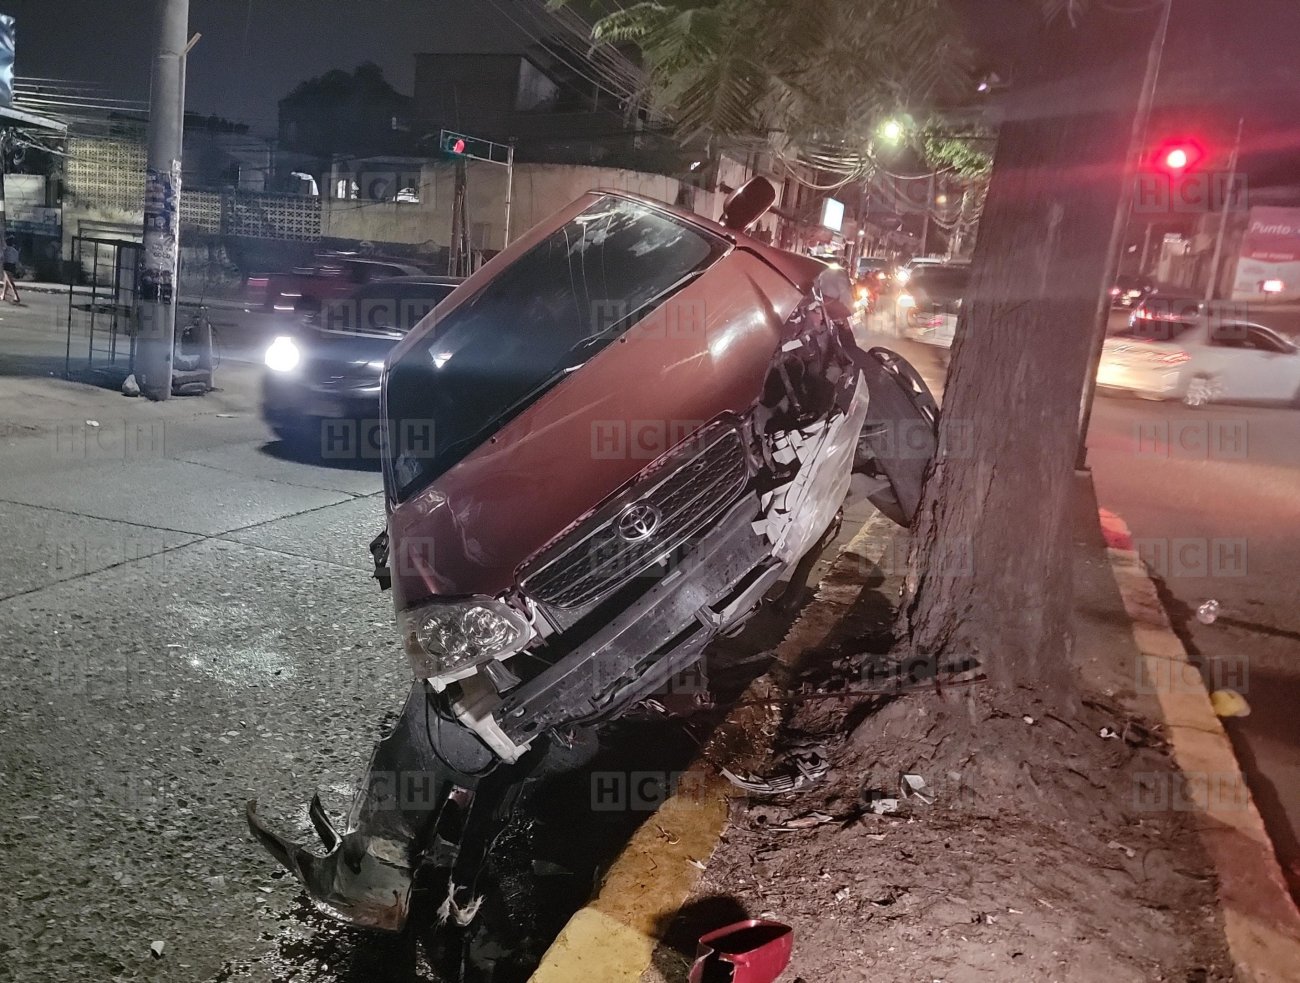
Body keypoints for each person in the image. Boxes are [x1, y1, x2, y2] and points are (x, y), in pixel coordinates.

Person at [1, 237, 21, 305]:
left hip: (6, 265)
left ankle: (16, 295)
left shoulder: (5, 250)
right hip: (12, 266)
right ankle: (3, 295)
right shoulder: (15, 251)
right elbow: (16, 260)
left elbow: (2, 258)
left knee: (9, 281)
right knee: (6, 280)